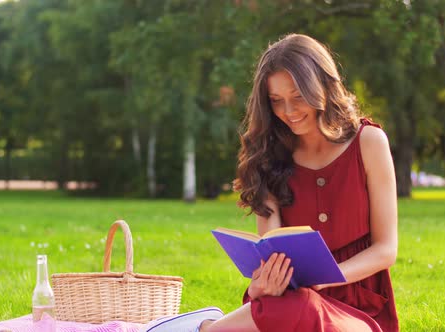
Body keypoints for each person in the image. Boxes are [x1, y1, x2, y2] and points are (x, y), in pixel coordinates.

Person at [143, 33, 399, 332]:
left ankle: (205, 329)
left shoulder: (369, 142)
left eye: (298, 97)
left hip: (360, 310)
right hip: (285, 303)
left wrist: (327, 277)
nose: (288, 112)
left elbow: (386, 250)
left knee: (303, 307)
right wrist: (262, 286)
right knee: (294, 304)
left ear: (324, 87)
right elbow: (272, 250)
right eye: (277, 101)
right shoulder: (268, 157)